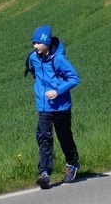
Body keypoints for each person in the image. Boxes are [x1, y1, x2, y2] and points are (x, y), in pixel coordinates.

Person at [26, 25, 81, 189]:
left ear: (47, 43)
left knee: (64, 137)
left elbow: (74, 78)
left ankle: (72, 163)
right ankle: (44, 173)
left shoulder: (58, 59)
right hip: (43, 107)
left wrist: (58, 91)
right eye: (34, 43)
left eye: (39, 43)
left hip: (61, 106)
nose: (36, 46)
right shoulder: (33, 58)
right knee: (43, 138)